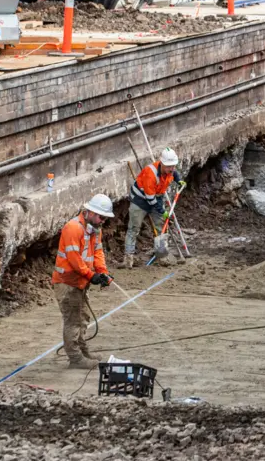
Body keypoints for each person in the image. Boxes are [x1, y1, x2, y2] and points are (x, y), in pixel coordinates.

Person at [52, 194, 115, 369]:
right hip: (67, 282)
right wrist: (91, 275)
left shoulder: (95, 229)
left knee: (82, 317)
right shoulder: (73, 228)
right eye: (101, 217)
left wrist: (102, 272)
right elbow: (74, 259)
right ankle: (75, 358)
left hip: (79, 282)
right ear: (90, 212)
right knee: (73, 320)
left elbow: (98, 252)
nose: (103, 221)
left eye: (105, 218)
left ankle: (82, 350)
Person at [120, 147, 186, 269]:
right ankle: (128, 259)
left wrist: (179, 181)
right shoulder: (150, 174)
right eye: (169, 166)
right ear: (162, 164)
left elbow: (174, 173)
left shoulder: (170, 170)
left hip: (157, 196)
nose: (172, 169)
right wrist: (163, 211)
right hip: (140, 200)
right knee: (134, 228)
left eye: (173, 166)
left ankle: (161, 255)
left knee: (161, 226)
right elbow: (151, 200)